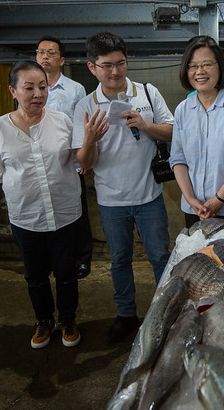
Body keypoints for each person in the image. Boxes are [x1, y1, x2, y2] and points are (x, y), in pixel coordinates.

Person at [73, 32, 174, 343]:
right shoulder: (85, 106)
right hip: (111, 199)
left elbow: (171, 132)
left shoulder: (146, 92)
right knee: (119, 259)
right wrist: (90, 138)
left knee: (160, 256)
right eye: (106, 66)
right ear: (92, 68)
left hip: (149, 196)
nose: (115, 72)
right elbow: (83, 161)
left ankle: (165, 314)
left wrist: (144, 125)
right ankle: (126, 315)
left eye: (120, 64)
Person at [0, 61, 82, 349]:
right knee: (35, 276)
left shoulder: (62, 122)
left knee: (67, 273)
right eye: (29, 88)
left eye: (42, 87)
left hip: (65, 214)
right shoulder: (0, 129)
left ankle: (67, 319)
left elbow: (78, 163)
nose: (38, 93)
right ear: (14, 91)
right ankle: (44, 321)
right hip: (26, 217)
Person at [171, 35, 224, 228]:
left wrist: (219, 199)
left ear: (220, 67)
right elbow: (178, 159)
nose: (200, 72)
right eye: (193, 66)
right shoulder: (182, 110)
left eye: (207, 64)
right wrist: (190, 199)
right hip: (196, 209)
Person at [36, 36, 93, 280]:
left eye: (50, 52)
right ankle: (51, 257)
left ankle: (82, 258)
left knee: (78, 212)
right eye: (40, 52)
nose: (44, 56)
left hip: (69, 161)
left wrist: (83, 159)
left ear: (61, 60)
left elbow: (81, 125)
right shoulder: (28, 87)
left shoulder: (74, 89)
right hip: (40, 162)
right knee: (46, 210)